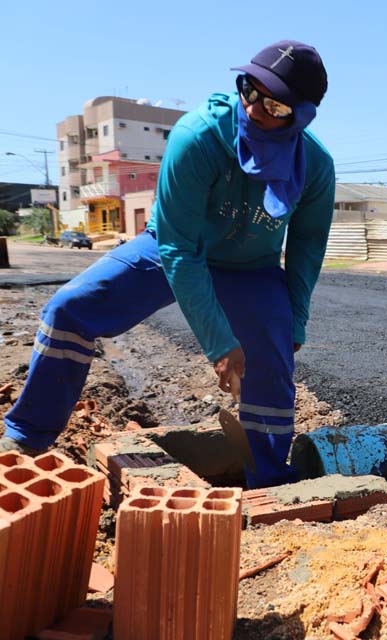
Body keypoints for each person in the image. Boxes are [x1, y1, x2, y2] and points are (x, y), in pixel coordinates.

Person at [0, 41, 335, 489]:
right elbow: (180, 251)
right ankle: (27, 437)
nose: (255, 110)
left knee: (274, 362)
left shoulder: (314, 165)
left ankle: (270, 480)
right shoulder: (198, 137)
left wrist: (295, 322)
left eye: (274, 105)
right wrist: (218, 343)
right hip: (171, 247)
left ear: (303, 115)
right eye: (249, 91)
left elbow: (306, 250)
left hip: (250, 266)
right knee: (69, 310)